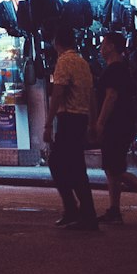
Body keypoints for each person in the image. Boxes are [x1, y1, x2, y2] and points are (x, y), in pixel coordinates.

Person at [91, 30, 137, 225]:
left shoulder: (115, 69)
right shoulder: (121, 68)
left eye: (104, 43)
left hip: (116, 125)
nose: (101, 47)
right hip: (121, 125)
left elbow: (111, 97)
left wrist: (100, 122)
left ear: (112, 46)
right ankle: (114, 210)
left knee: (115, 170)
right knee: (111, 168)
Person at [44, 26, 98, 231]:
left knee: (58, 164)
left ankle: (77, 210)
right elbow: (92, 94)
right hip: (81, 118)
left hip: (68, 119)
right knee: (75, 166)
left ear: (57, 43)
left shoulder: (64, 61)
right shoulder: (83, 63)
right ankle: (82, 212)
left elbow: (58, 94)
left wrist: (48, 123)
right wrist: (92, 122)